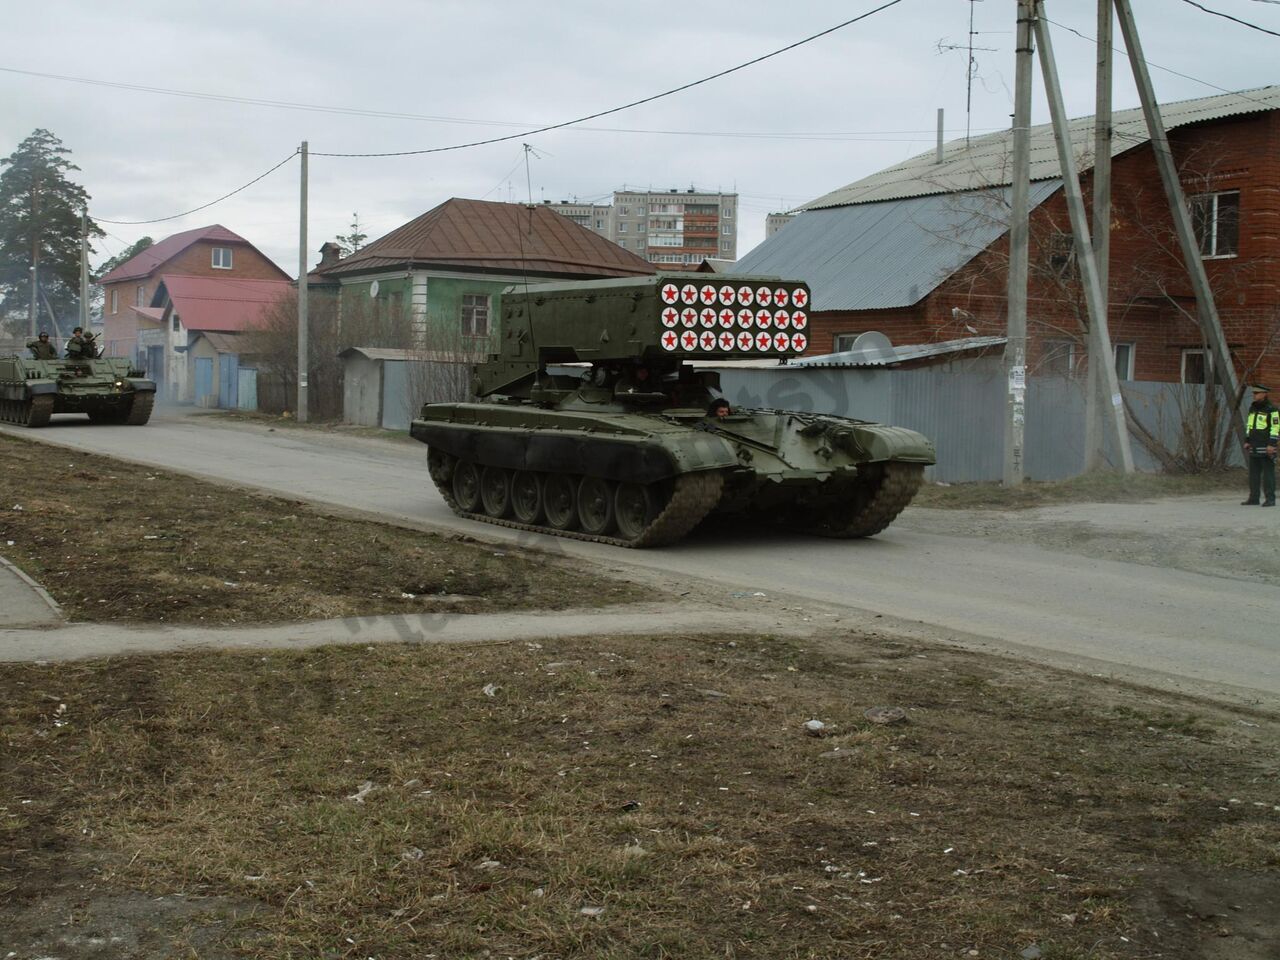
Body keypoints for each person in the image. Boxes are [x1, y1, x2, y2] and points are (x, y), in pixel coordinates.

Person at [1242, 383, 1278, 507]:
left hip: (1266, 446)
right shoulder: (1253, 408)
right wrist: (1247, 440)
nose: (1254, 395)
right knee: (1254, 474)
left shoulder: (1272, 409)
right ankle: (1254, 498)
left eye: (1257, 393)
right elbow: (1249, 426)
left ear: (1264, 394)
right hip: (1254, 445)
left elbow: (1275, 428)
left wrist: (1272, 445)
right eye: (1254, 393)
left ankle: (1270, 499)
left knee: (1268, 474)